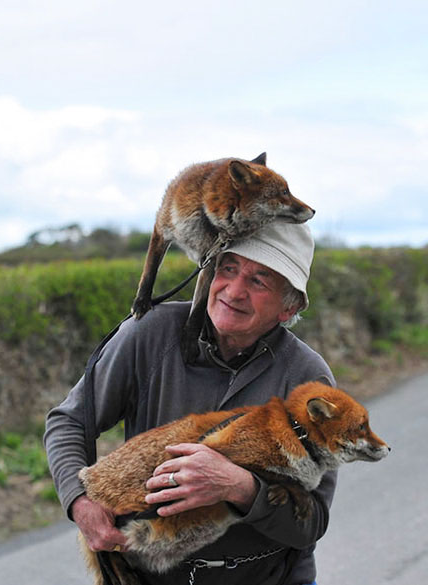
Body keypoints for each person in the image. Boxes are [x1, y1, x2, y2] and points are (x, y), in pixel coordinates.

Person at [44, 221, 335, 585]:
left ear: (287, 309)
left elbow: (312, 522)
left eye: (259, 281)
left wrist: (240, 488)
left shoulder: (307, 380)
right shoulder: (149, 334)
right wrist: (79, 503)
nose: (234, 290)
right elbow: (69, 422)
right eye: (228, 269)